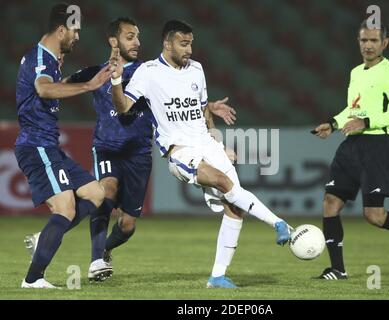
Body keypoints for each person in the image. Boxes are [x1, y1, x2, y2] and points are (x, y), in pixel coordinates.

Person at [24, 17, 237, 282]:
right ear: (113, 41)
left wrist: (210, 106)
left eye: (138, 36)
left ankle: (102, 248)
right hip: (107, 148)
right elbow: (57, 87)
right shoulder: (95, 73)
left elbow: (182, 99)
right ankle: (96, 260)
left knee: (127, 226)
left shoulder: (149, 72)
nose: (137, 42)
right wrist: (34, 101)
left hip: (139, 152)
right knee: (106, 190)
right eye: (129, 37)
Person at [109, 20, 292, 288]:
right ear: (167, 43)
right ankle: (278, 223)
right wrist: (115, 80)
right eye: (184, 44)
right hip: (178, 150)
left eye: (191, 43)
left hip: (207, 143)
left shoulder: (197, 69)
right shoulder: (148, 72)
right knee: (224, 182)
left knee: (235, 207)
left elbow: (203, 108)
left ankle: (217, 276)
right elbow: (124, 107)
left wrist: (217, 140)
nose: (189, 49)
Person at [312, 20, 389, 280]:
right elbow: (353, 109)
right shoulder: (357, 72)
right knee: (330, 202)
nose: (367, 45)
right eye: (363, 40)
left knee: (374, 216)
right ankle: (337, 269)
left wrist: (366, 123)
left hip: (376, 145)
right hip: (351, 145)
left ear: (384, 43)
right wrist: (333, 124)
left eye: (373, 41)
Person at [16, 3, 113, 288]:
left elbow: (56, 84)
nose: (78, 37)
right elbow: (43, 88)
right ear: (61, 30)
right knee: (66, 208)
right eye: (75, 30)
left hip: (49, 146)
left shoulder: (51, 59)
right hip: (36, 146)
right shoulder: (40, 58)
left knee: (96, 193)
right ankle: (33, 279)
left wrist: (95, 74)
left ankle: (42, 239)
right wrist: (89, 86)